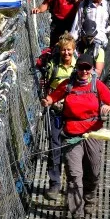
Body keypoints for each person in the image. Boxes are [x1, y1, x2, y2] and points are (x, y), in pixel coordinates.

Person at [40, 53, 110, 219]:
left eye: (87, 68)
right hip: (71, 135)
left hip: (93, 133)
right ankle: (77, 213)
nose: (84, 71)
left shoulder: (97, 85)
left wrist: (108, 107)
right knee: (74, 175)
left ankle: (90, 197)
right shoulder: (68, 85)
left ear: (92, 69)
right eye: (81, 67)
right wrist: (48, 101)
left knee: (93, 169)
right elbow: (53, 96)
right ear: (77, 68)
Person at [42, 35, 77, 200]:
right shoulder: (53, 66)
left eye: (69, 49)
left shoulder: (80, 67)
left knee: (73, 147)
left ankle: (74, 184)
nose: (66, 53)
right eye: (63, 49)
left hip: (74, 112)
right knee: (54, 146)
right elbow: (45, 85)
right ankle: (54, 183)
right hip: (56, 110)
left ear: (74, 49)